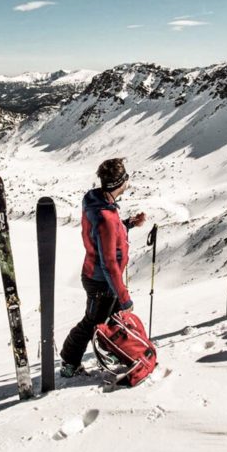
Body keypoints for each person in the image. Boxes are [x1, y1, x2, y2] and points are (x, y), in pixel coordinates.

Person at [59, 158, 147, 377]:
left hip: (101, 278)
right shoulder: (105, 216)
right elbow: (109, 263)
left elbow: (103, 235)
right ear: (119, 182)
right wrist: (124, 297)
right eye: (125, 177)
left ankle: (117, 352)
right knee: (93, 322)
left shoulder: (97, 201)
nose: (128, 181)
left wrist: (127, 224)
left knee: (114, 319)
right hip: (101, 281)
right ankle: (69, 362)